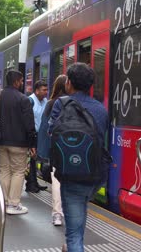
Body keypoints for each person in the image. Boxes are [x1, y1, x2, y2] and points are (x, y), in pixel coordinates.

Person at [49, 63, 108, 251]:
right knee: (79, 215)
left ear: (68, 83)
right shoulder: (101, 109)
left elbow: (52, 132)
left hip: (71, 174)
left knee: (73, 234)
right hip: (94, 176)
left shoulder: (62, 103)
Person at [0, 70, 36, 215]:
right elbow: (29, 124)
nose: (21, 84)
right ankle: (14, 204)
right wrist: (32, 144)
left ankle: (4, 202)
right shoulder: (23, 99)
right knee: (18, 171)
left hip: (0, 141)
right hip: (19, 143)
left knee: (4, 170)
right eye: (21, 81)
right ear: (17, 81)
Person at [37, 75, 67, 226]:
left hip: (56, 148)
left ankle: (57, 213)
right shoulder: (75, 102)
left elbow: (44, 129)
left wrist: (42, 152)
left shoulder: (50, 104)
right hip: (73, 147)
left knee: (57, 180)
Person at [26, 80, 49, 193]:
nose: (46, 92)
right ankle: (31, 183)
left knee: (35, 160)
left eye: (46, 90)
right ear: (36, 91)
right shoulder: (30, 101)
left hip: (40, 135)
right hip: (32, 134)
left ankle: (33, 182)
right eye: (43, 90)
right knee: (31, 159)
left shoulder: (45, 101)